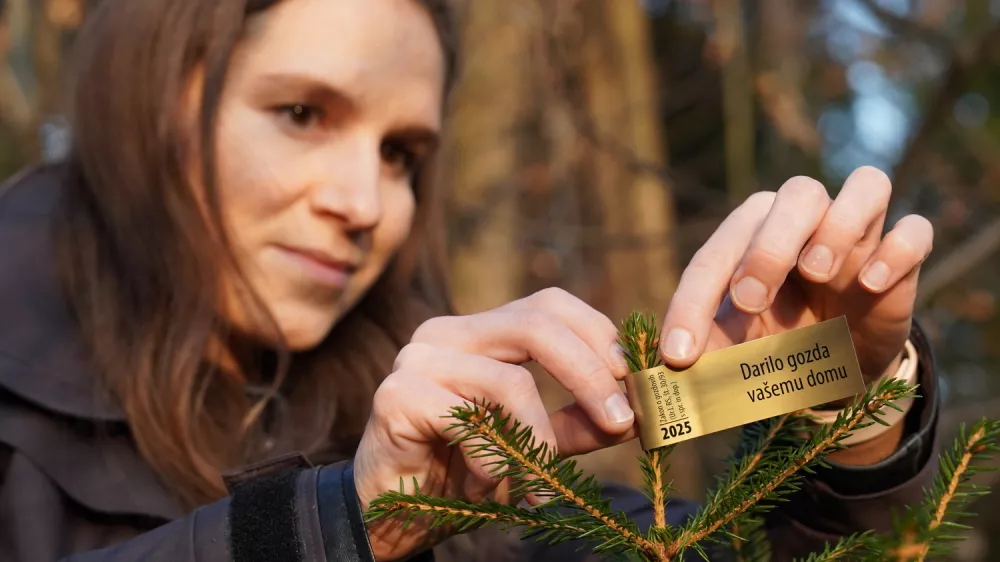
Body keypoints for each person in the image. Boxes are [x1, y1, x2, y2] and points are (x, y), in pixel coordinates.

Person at [0, 0, 939, 560]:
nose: (366, 201)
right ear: (151, 98)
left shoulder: (449, 438)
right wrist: (338, 526)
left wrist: (843, 399)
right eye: (301, 112)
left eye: (404, 153)